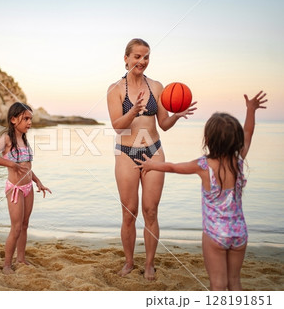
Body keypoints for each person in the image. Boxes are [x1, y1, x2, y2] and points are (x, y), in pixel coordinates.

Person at [135, 91, 268, 290]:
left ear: (208, 139)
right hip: (239, 233)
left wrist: (152, 165)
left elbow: (173, 167)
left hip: (215, 234)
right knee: (235, 283)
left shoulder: (204, 165)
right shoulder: (239, 161)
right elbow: (248, 133)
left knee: (217, 285)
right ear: (236, 140)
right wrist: (251, 110)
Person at [106, 38, 197, 279]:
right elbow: (117, 126)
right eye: (137, 56)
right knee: (129, 212)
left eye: (146, 56)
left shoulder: (157, 87)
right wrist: (133, 111)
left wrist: (177, 115)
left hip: (154, 151)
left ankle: (149, 263)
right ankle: (128, 262)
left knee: (151, 211)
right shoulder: (115, 90)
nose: (142, 61)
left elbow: (164, 125)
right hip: (126, 153)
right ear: (126, 58)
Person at [0, 102, 51, 274]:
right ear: (13, 119)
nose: (29, 122)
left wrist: (37, 181)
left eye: (31, 119)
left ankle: (20, 258)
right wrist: (11, 164)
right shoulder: (6, 139)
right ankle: (7, 264)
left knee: (24, 225)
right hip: (15, 189)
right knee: (15, 228)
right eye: (26, 118)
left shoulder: (24, 140)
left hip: (28, 187)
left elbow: (26, 167)